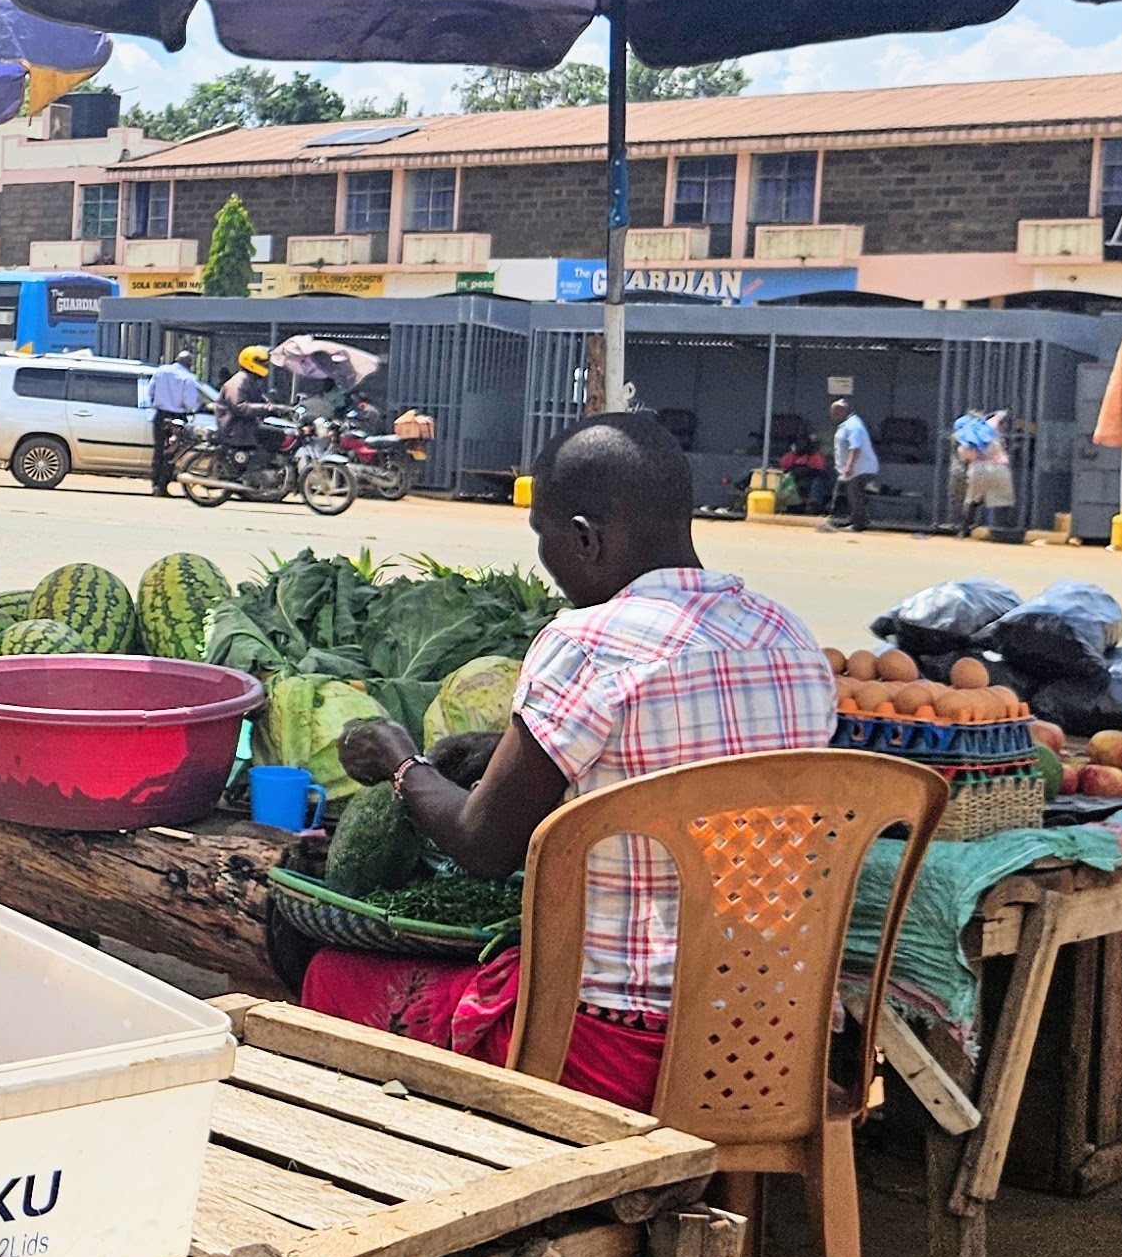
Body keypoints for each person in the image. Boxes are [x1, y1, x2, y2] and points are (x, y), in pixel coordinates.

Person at [298, 413, 837, 1110]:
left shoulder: (588, 643)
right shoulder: (787, 637)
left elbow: (483, 845)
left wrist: (403, 765)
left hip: (616, 1051)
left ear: (585, 538)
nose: (545, 565)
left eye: (543, 539)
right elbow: (691, 764)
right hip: (770, 1036)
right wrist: (508, 755)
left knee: (331, 974)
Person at [145, 349, 210, 496]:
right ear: (189, 364)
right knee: (171, 453)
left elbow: (150, 392)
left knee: (158, 451)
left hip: (160, 416)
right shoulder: (188, 378)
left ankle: (155, 484)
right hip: (177, 418)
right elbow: (190, 403)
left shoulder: (161, 371)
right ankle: (162, 486)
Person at [950, 407, 1014, 535]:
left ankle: (963, 531)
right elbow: (1002, 414)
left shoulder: (962, 433)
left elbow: (965, 456)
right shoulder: (989, 427)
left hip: (977, 467)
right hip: (999, 468)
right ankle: (1005, 532)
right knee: (1003, 501)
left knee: (971, 500)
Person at [826, 397, 879, 530]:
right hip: (855, 469)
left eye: (836, 411)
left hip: (860, 469)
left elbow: (855, 448)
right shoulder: (848, 424)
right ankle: (856, 519)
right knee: (853, 494)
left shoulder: (853, 425)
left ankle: (859, 524)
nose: (833, 414)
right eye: (832, 411)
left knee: (855, 493)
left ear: (843, 411)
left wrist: (849, 467)